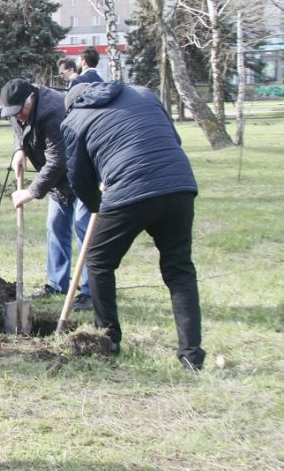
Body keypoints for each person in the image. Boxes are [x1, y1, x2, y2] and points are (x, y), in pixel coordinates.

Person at [61, 81, 205, 371]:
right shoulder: (142, 92)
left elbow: (78, 177)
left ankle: (108, 339)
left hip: (130, 191)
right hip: (179, 186)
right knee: (179, 270)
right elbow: (173, 139)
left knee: (99, 260)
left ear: (73, 104)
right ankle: (191, 355)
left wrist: (96, 206)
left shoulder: (73, 120)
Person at [2, 78, 92, 310]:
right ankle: (57, 284)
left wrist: (30, 192)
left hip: (83, 169)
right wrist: (19, 149)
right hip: (58, 177)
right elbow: (17, 127)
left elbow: (58, 161)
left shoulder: (52, 111)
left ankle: (91, 292)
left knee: (84, 226)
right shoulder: (18, 107)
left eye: (19, 111)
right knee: (56, 225)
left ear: (30, 98)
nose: (17, 116)